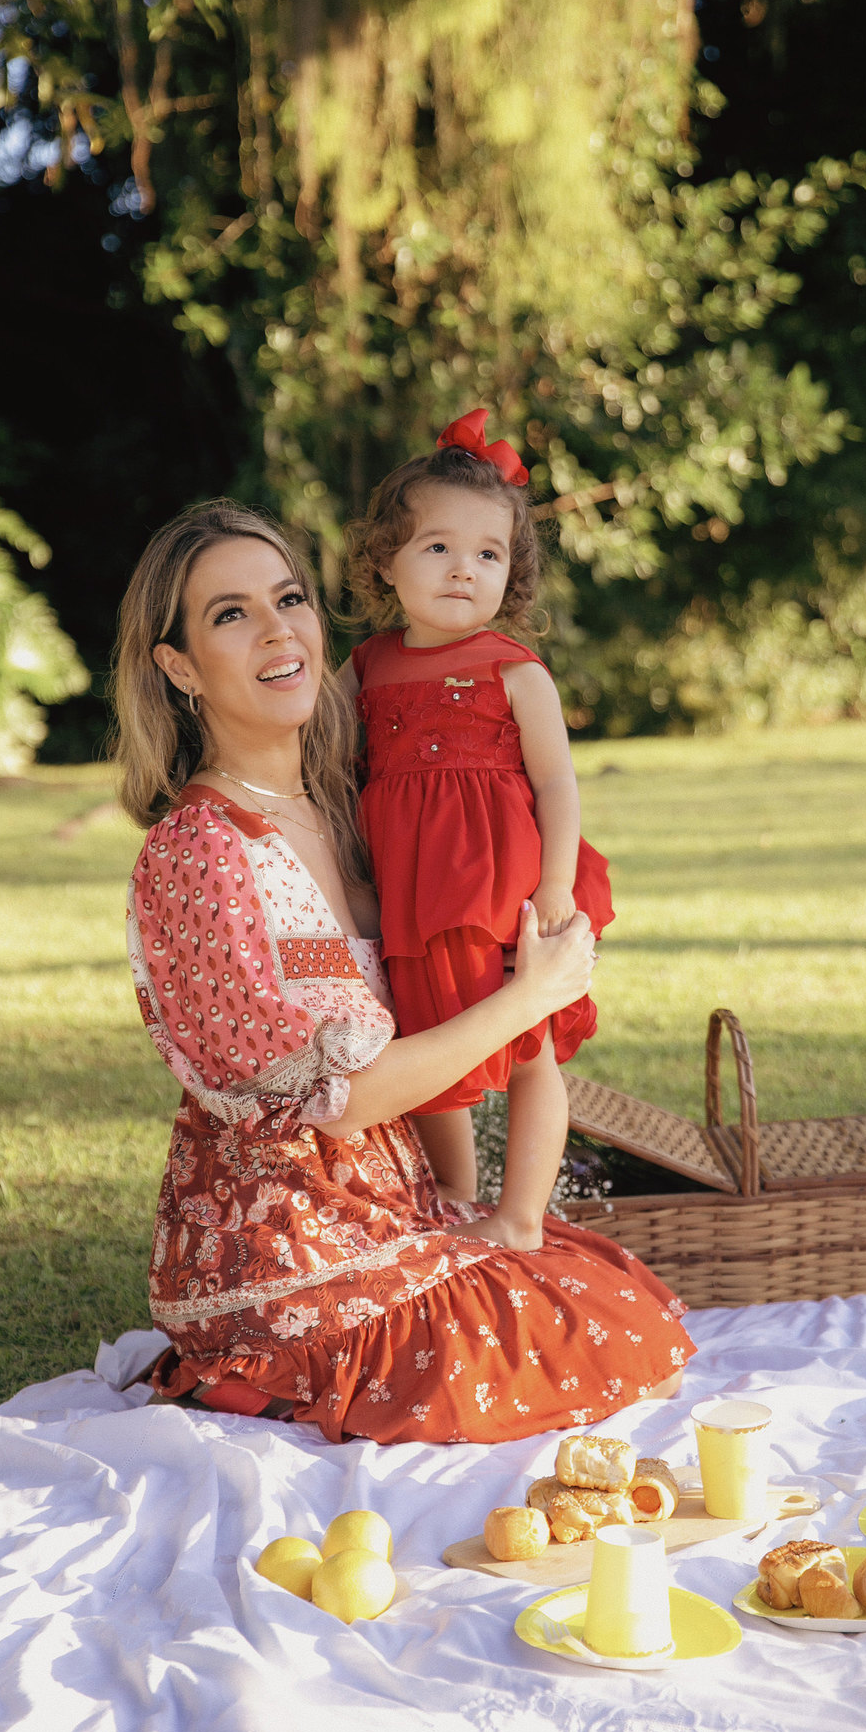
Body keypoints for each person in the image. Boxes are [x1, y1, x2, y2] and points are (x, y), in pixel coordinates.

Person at [112, 497, 695, 1443]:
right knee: (568, 1341)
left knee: (608, 1299)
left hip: (398, 1202)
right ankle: (262, 1372)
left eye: (289, 598)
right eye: (231, 614)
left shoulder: (357, 815)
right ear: (178, 666)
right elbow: (337, 1101)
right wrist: (529, 998)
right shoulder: (202, 854)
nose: (278, 630)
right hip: (280, 1246)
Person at [342, 409, 611, 1247]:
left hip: (507, 892)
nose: (465, 570)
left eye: (488, 554)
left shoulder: (515, 671)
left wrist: (556, 892)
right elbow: (344, 777)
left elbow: (557, 785)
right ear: (387, 561)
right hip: (414, 895)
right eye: (438, 548)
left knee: (528, 1045)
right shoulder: (366, 668)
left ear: (512, 572)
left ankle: (521, 1217)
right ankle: (455, 1195)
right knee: (430, 1043)